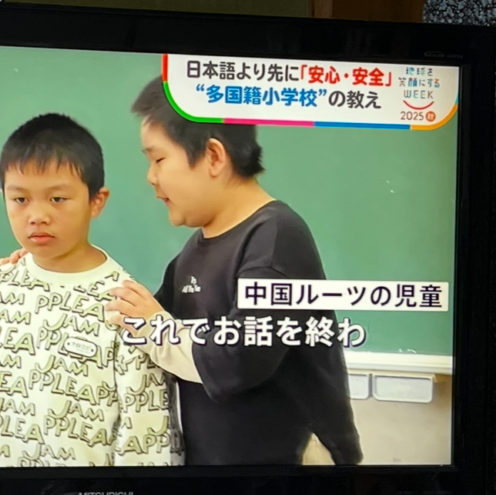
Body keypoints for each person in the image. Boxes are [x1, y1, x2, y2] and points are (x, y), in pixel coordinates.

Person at [104, 77, 362, 465]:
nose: (150, 177)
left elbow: (238, 360)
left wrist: (156, 327)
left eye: (158, 160)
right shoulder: (193, 251)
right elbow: (136, 321)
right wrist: (47, 265)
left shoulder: (275, 237)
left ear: (213, 157)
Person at [0, 113, 183, 467]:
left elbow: (146, 438)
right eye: (20, 199)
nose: (37, 215)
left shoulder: (126, 306)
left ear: (96, 201)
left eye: (57, 199)